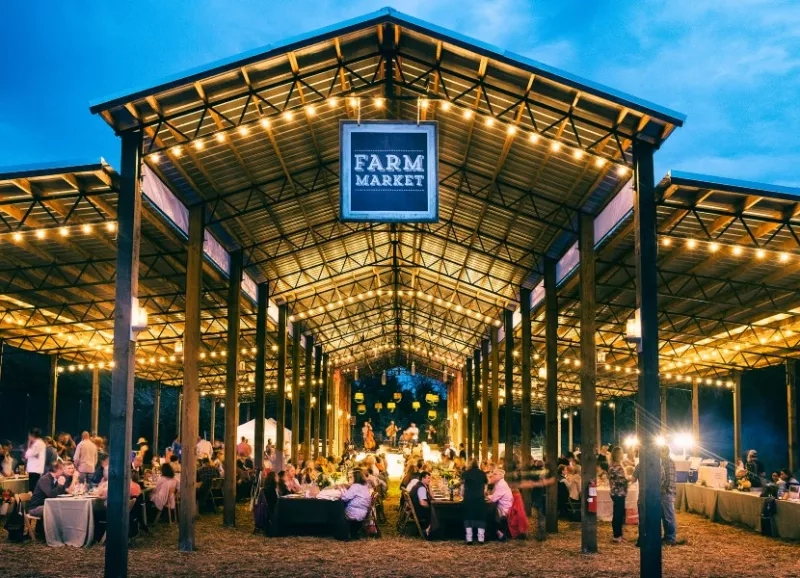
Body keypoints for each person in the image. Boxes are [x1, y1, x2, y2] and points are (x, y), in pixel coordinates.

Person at [461, 459, 488, 544]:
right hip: (479, 498)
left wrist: (462, 494)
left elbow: (462, 486)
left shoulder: (465, 473)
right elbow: (485, 486)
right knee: (480, 517)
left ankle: (469, 538)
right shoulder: (483, 473)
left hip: (468, 498)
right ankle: (481, 538)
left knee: (468, 516)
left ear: (469, 464)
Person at [341, 469, 372, 536]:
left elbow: (345, 498)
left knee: (338, 507)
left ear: (355, 478)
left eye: (351, 477)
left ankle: (340, 531)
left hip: (354, 512)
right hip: (363, 511)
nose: (349, 478)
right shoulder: (364, 485)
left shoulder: (355, 486)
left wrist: (341, 493)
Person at [608, 446, 629, 543]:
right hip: (618, 493)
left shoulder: (614, 465)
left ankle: (619, 534)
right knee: (618, 514)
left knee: (619, 514)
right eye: (621, 453)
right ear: (618, 455)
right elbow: (620, 480)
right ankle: (616, 535)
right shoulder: (616, 466)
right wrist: (629, 479)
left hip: (617, 492)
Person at [488, 468, 513, 540]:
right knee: (489, 510)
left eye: (495, 474)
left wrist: (487, 496)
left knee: (488, 512)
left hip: (504, 509)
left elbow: (493, 499)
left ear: (501, 476)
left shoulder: (501, 485)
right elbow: (494, 496)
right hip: (502, 507)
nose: (493, 475)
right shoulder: (499, 483)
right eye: (493, 474)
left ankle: (499, 533)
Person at [410, 471, 434, 538]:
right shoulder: (421, 488)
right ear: (423, 479)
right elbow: (423, 503)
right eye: (428, 478)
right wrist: (431, 508)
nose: (430, 480)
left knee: (435, 509)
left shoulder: (419, 485)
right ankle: (428, 530)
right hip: (419, 512)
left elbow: (432, 497)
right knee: (436, 511)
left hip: (415, 510)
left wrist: (429, 486)